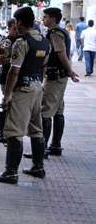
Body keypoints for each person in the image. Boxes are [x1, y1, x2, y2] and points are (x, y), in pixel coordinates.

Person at [0, 7, 50, 184]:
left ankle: (10, 173)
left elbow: (14, 72)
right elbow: (42, 67)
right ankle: (38, 167)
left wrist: (7, 96)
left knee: (14, 130)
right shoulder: (45, 42)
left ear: (19, 22)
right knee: (36, 128)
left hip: (23, 89)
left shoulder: (22, 42)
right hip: (38, 86)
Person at [35, 8, 79, 159]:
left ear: (53, 19)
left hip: (55, 78)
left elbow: (61, 54)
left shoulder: (55, 33)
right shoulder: (62, 32)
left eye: (45, 17)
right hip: (60, 77)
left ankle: (43, 149)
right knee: (58, 111)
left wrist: (70, 71)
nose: (43, 19)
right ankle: (55, 145)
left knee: (45, 111)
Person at [0, 18, 18, 144]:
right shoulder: (7, 41)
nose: (17, 29)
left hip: (17, 77)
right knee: (7, 104)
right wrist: (0, 58)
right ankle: (4, 133)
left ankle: (9, 133)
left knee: (13, 105)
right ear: (9, 28)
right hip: (7, 77)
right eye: (14, 27)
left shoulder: (22, 39)